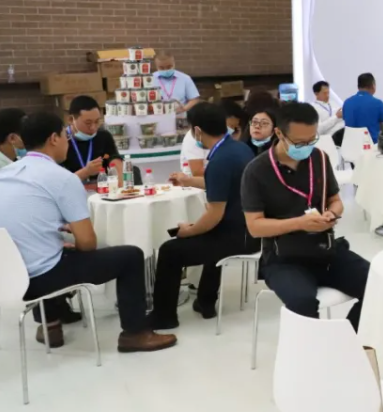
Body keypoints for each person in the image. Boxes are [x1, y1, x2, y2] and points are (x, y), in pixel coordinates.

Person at [0, 111, 176, 352]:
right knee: (131, 256)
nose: (67, 142)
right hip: (36, 280)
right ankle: (135, 334)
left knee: (49, 249)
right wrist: (76, 238)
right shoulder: (62, 178)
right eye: (65, 136)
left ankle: (50, 325)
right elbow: (88, 243)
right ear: (53, 138)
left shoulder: (2, 175)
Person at [241, 102, 370, 330]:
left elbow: (335, 200)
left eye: (312, 140)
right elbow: (255, 226)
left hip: (325, 250)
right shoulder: (256, 171)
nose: (307, 147)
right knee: (303, 303)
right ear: (279, 133)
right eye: (300, 143)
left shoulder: (319, 158)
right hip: (284, 259)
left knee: (377, 284)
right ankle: (314, 349)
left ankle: (347, 341)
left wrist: (332, 213)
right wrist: (300, 223)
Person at [149, 103, 258, 328]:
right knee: (206, 233)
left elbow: (214, 215)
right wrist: (188, 181)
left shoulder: (219, 160)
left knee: (170, 251)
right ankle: (206, 301)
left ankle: (164, 316)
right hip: (250, 229)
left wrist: (189, 230)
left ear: (197, 131)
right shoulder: (239, 149)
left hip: (237, 237)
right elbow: (222, 184)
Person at [173, 101, 245, 189]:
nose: (232, 130)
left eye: (235, 127)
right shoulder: (195, 137)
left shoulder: (230, 143)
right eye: (230, 126)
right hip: (199, 187)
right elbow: (197, 172)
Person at [63, 95, 123, 185]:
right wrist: (86, 172)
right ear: (71, 119)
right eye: (88, 123)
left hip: (102, 188)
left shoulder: (103, 136)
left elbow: (113, 157)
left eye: (97, 121)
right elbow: (59, 182)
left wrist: (117, 173)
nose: (93, 128)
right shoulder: (61, 141)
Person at [342, 73, 383, 143]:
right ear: (373, 86)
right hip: (371, 145)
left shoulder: (347, 103)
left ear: (358, 87)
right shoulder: (378, 103)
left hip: (350, 145)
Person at [312, 81, 344, 145]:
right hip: (329, 140)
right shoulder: (313, 108)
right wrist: (336, 117)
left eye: (328, 92)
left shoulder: (334, 104)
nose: (327, 95)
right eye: (324, 93)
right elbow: (318, 130)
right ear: (316, 94)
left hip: (344, 135)